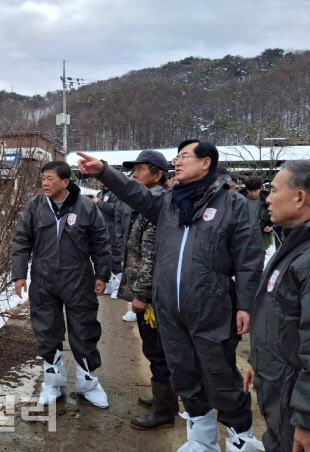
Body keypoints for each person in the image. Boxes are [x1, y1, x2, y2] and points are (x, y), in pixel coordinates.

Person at [77, 140, 264, 451]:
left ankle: (241, 438)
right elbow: (134, 193)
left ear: (206, 163)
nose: (177, 162)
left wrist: (245, 304)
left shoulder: (233, 204)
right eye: (176, 157)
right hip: (170, 311)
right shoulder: (169, 203)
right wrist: (104, 172)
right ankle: (201, 438)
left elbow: (249, 258)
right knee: (184, 374)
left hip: (211, 306)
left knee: (219, 375)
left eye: (185, 157)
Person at [12, 161, 111, 407]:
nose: (45, 183)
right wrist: (19, 274)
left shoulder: (86, 206)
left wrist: (102, 275)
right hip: (44, 278)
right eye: (43, 178)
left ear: (65, 182)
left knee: (85, 330)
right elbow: (21, 240)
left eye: (50, 178)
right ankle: (53, 383)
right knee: (47, 330)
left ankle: (88, 384)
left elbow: (101, 242)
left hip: (78, 277)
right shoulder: (35, 206)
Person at [243, 160, 310, 452]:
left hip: (294, 399)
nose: (267, 198)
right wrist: (259, 363)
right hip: (279, 383)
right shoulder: (295, 243)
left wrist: (306, 419)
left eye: (274, 190)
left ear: (300, 197)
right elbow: (280, 317)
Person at [114, 150, 178, 431]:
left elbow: (151, 255)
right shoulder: (147, 204)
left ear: (158, 175)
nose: (134, 175)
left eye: (140, 170)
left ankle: (164, 412)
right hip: (149, 294)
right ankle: (166, 400)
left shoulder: (157, 206)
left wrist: (141, 295)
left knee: (157, 350)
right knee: (156, 349)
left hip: (151, 298)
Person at [89, 187, 122, 276]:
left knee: (114, 260)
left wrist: (98, 202)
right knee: (102, 257)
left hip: (113, 234)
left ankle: (116, 284)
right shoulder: (100, 193)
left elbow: (116, 210)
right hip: (100, 232)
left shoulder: (117, 193)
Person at [242, 177, 274, 251]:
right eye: (250, 191)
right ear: (246, 189)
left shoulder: (268, 201)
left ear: (260, 189)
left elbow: (276, 216)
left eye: (255, 191)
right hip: (243, 238)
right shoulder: (238, 201)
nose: (253, 193)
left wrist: (270, 226)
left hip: (262, 239)